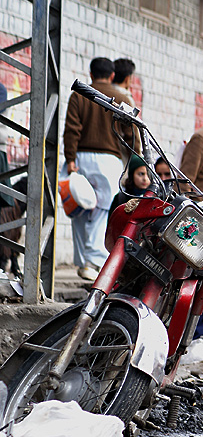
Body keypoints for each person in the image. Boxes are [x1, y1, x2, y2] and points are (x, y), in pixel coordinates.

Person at [62, 57, 134, 281]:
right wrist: (133, 162)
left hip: (81, 157)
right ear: (112, 75)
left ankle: (83, 260)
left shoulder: (79, 95)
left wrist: (70, 158)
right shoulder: (121, 97)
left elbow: (72, 128)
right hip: (109, 161)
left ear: (91, 74)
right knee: (103, 209)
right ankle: (93, 259)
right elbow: (131, 133)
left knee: (79, 208)